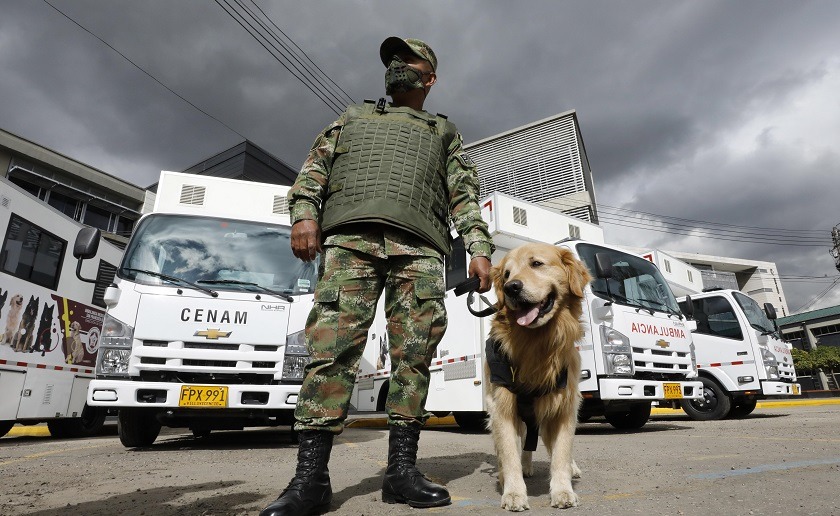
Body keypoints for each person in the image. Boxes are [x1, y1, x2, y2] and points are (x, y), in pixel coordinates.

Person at [260, 36, 494, 516]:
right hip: (351, 243)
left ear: (429, 77)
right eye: (392, 61)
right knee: (331, 352)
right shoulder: (351, 118)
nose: (395, 67)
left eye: (406, 61)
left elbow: (464, 195)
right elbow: (312, 175)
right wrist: (304, 216)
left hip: (420, 248)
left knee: (414, 357)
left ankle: (401, 474)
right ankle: (310, 481)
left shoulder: (444, 132)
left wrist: (479, 248)